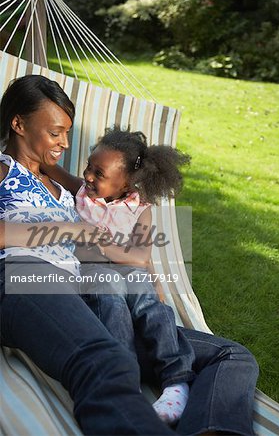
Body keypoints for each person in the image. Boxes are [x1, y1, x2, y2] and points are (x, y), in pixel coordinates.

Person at [0, 74, 259, 436]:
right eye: (56, 132)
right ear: (18, 123)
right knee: (107, 361)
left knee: (232, 356)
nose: (64, 143)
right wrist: (71, 230)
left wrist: (154, 288)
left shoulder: (65, 185)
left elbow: (130, 217)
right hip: (27, 276)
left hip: (92, 296)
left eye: (68, 133)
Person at [45, 127, 196, 424]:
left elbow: (141, 256)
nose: (88, 175)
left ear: (127, 183)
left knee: (151, 305)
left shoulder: (141, 210)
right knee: (110, 293)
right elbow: (48, 165)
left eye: (99, 174)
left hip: (129, 267)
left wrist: (154, 281)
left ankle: (176, 381)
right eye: (89, 166)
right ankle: (126, 381)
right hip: (89, 270)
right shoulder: (81, 191)